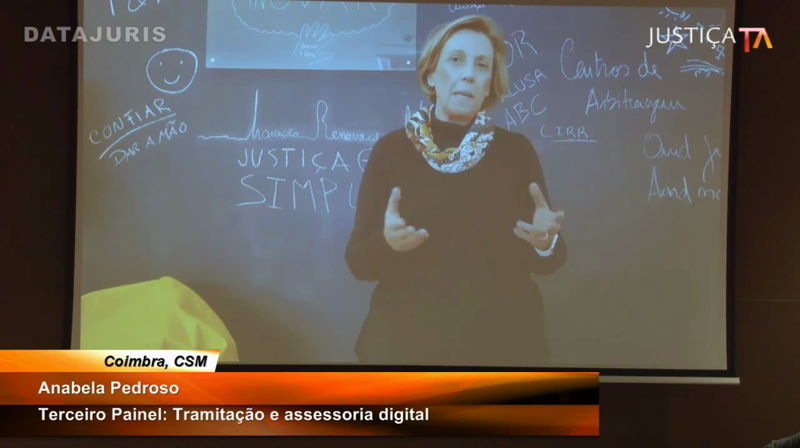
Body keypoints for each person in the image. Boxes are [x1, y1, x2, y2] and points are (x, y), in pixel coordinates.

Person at [344, 15, 567, 366]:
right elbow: (359, 262)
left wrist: (545, 243)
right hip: (405, 349)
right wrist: (389, 243)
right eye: (456, 60)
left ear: (490, 83)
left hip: (504, 349)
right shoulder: (391, 150)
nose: (469, 74)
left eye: (482, 65)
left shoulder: (516, 151)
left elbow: (551, 259)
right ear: (431, 74)